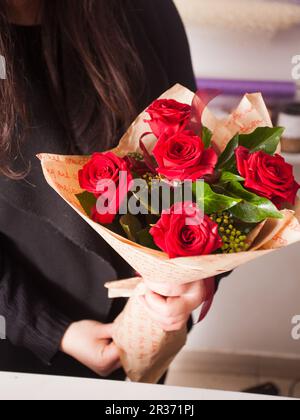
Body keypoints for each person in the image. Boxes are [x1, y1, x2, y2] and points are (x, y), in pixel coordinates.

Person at [0, 0, 219, 381]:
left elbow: (198, 168)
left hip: (144, 328)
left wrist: (198, 276)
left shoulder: (144, 11)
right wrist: (51, 329)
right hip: (19, 342)